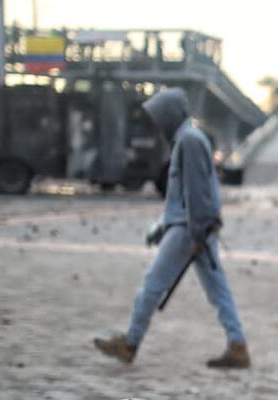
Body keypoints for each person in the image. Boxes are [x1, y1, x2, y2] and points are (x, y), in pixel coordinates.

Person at [93, 88, 249, 369]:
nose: (156, 124)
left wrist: (196, 232)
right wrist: (165, 226)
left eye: (158, 117)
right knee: (218, 290)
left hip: (189, 229)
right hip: (195, 227)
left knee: (151, 287)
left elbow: (195, 192)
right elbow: (188, 194)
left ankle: (130, 343)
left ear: (170, 115)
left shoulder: (188, 140)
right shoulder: (190, 138)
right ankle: (237, 344)